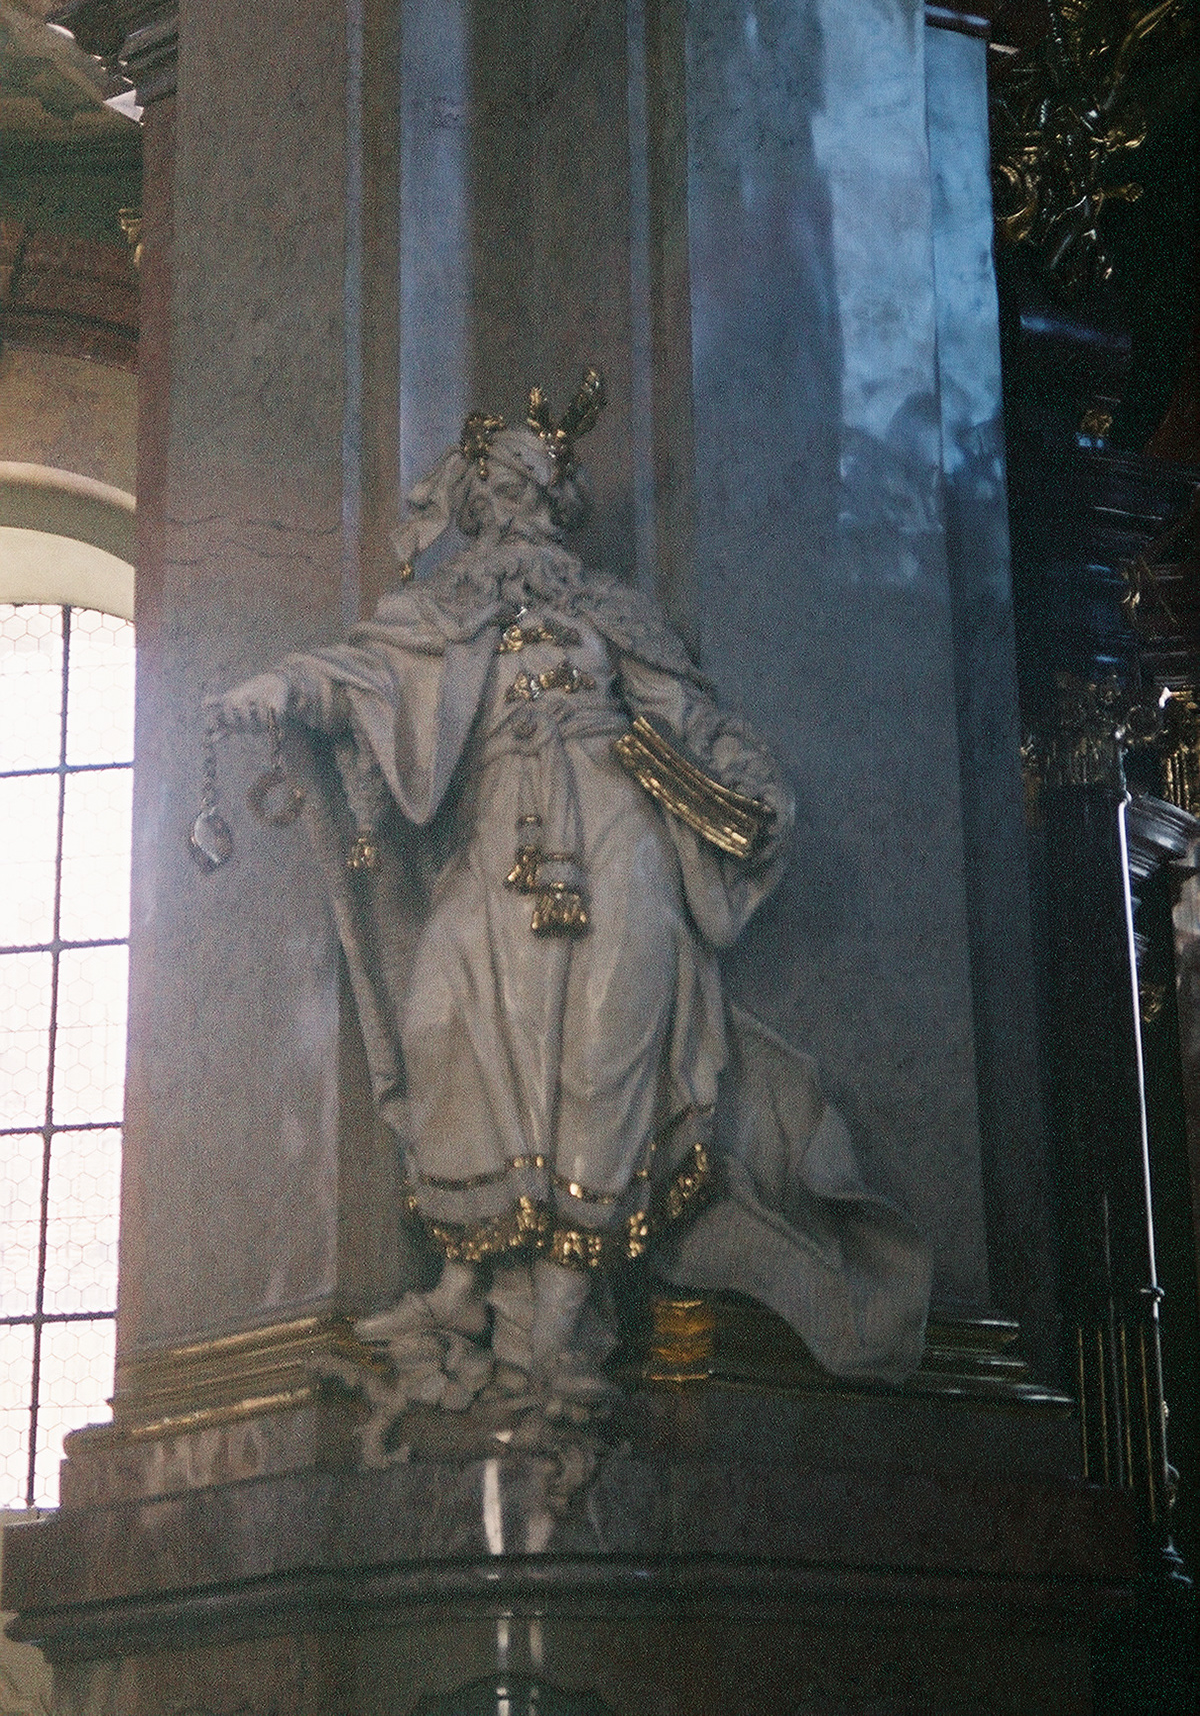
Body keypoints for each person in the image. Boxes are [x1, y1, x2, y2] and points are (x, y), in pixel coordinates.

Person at [215, 371, 930, 1421]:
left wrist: (753, 787)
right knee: (442, 1024)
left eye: (540, 495)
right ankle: (470, 1283)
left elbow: (685, 714)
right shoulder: (436, 614)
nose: (525, 512)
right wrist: (283, 691)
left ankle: (559, 1313)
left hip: (617, 826)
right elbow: (360, 678)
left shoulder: (609, 612)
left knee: (607, 1048)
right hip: (497, 835)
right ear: (474, 506)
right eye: (505, 492)